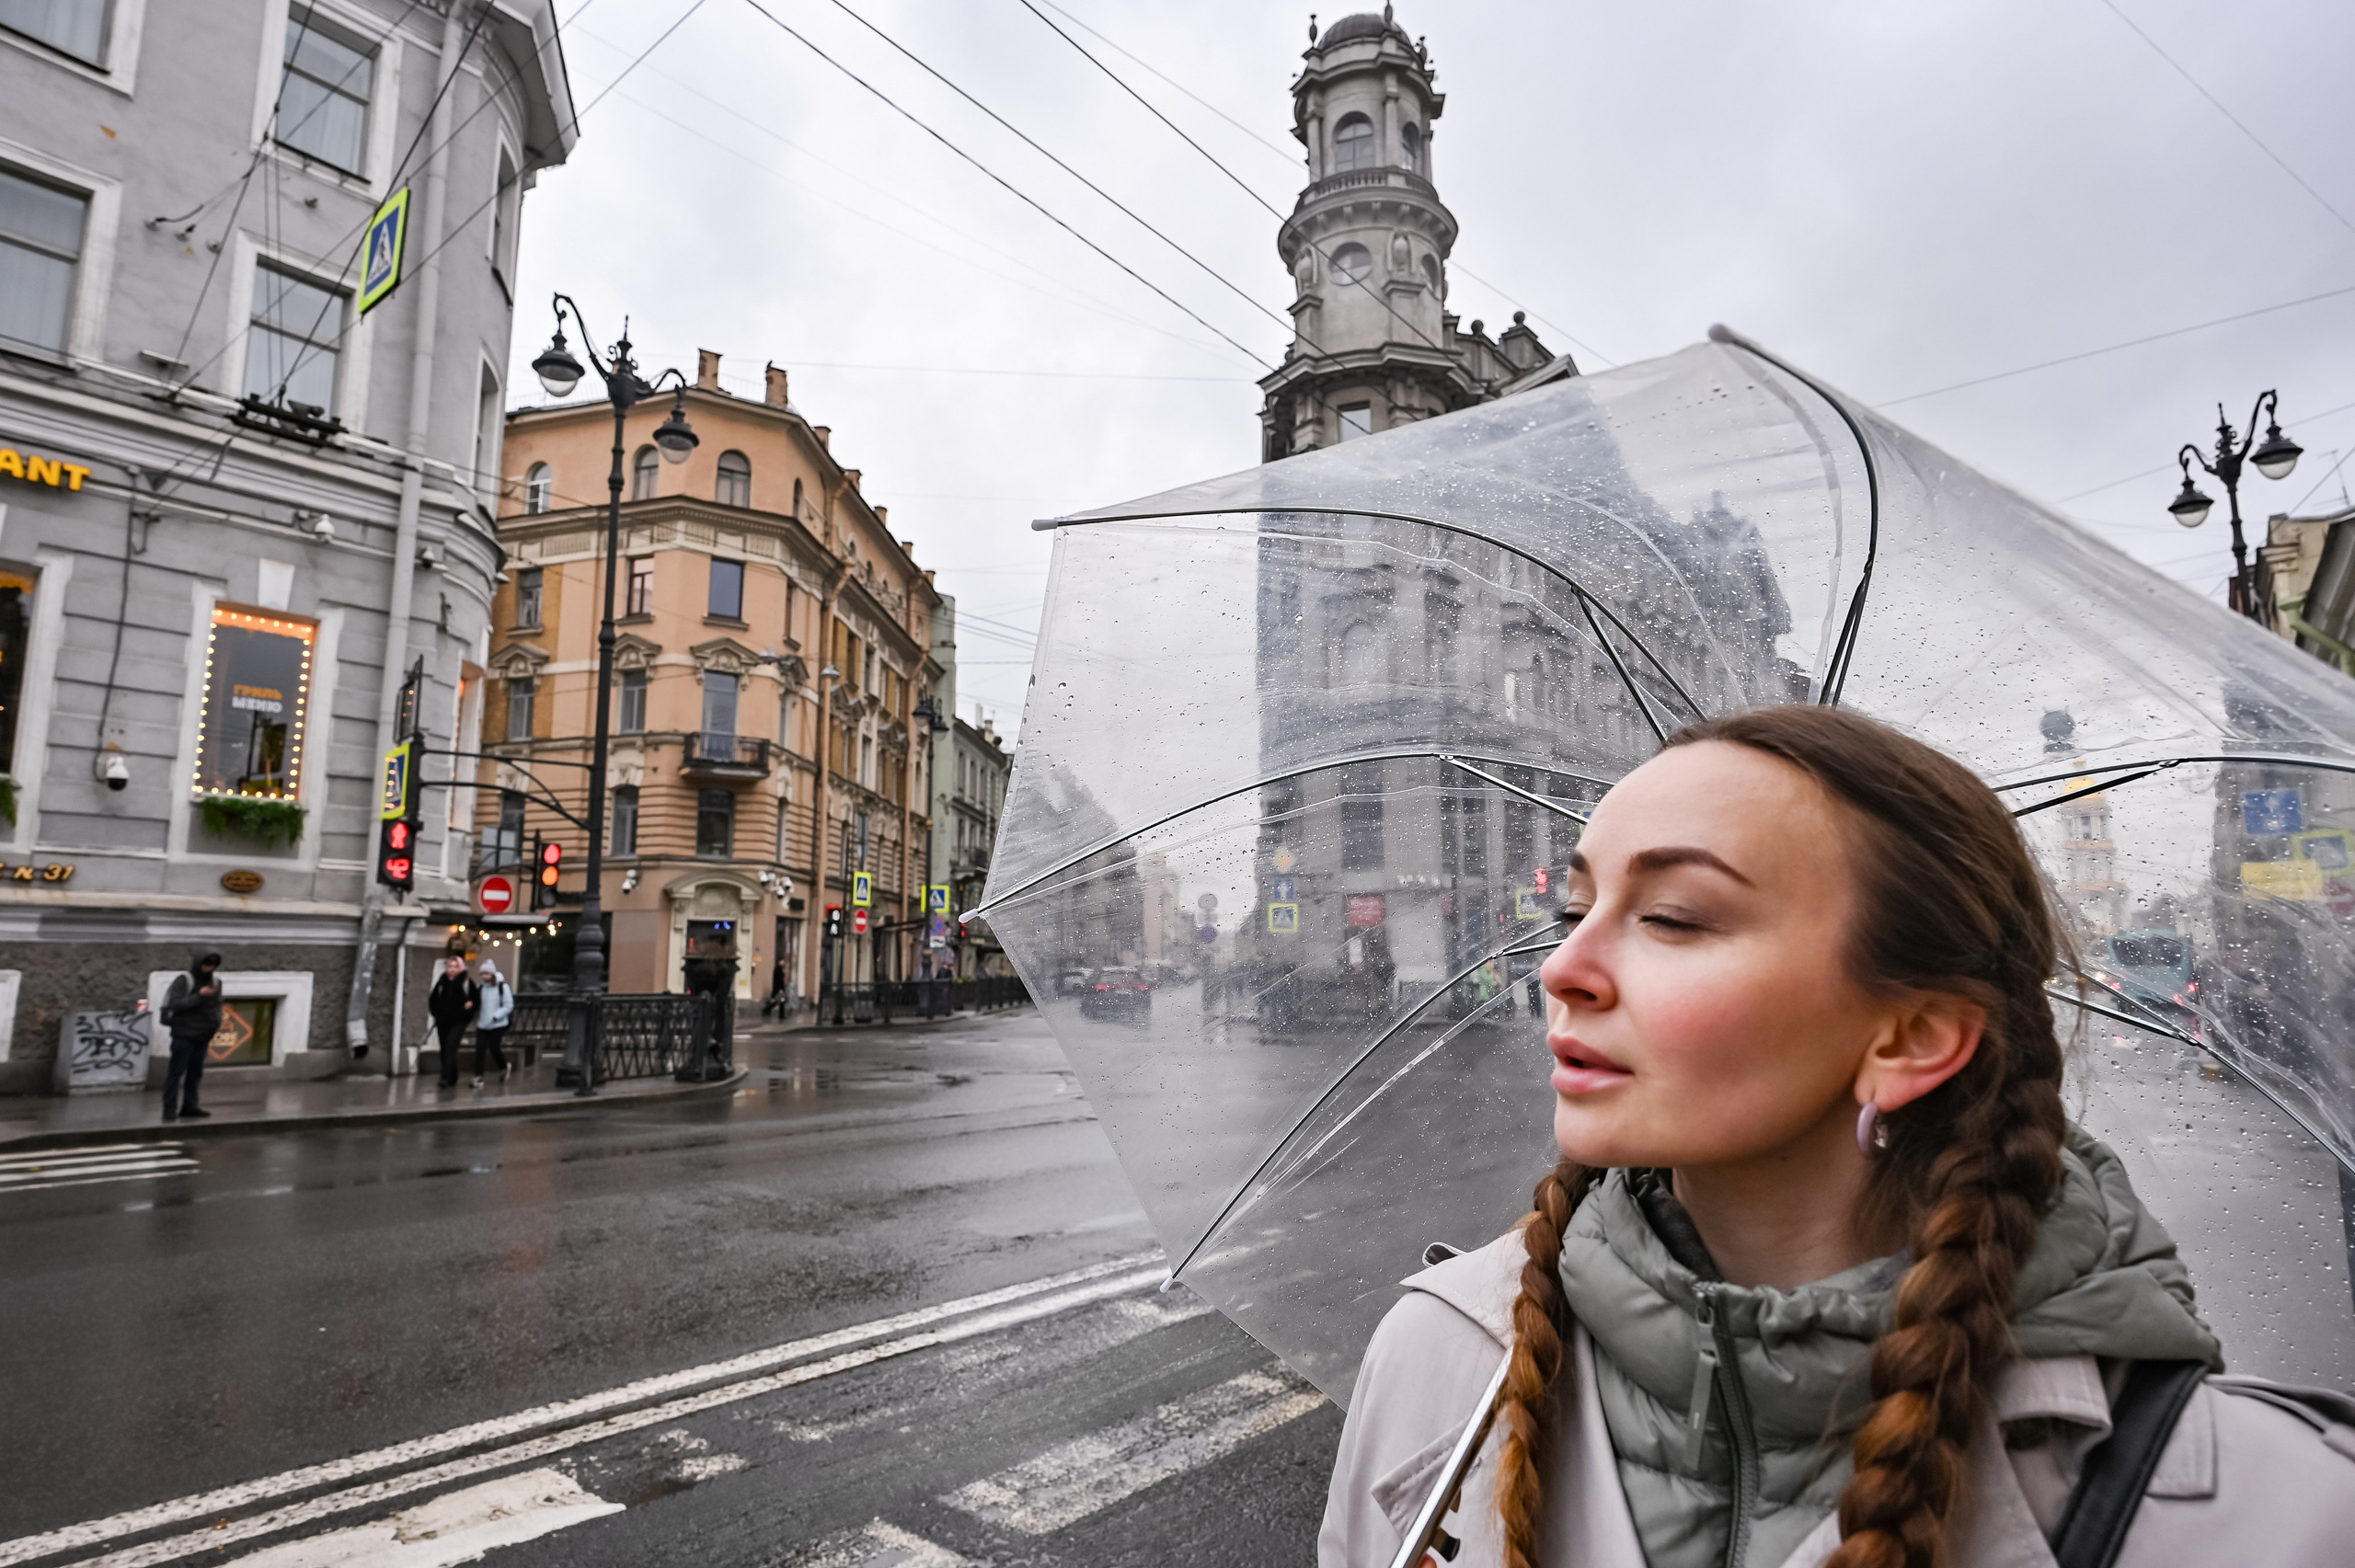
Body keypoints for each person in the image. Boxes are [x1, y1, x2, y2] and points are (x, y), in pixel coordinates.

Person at [1322, 707, 2355, 1568]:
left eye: (1673, 916)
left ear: (1910, 1037)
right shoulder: (1439, 1358)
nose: (1562, 969)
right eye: (1577, 909)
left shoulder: (2281, 1519)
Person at [157, 947, 224, 1120]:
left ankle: (190, 1106)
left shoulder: (216, 982)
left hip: (203, 1034)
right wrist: (199, 996)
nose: (209, 968)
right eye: (206, 964)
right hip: (183, 1034)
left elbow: (216, 1005)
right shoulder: (184, 980)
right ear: (198, 963)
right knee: (176, 1072)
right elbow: (176, 1004)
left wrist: (215, 1024)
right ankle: (169, 1109)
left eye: (213, 965)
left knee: (195, 1073)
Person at [427, 956, 477, 1090]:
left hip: (459, 1021)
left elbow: (476, 1000)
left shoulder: (466, 982)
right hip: (443, 1021)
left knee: (450, 1045)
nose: (452, 969)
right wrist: (436, 1013)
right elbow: (433, 1000)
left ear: (460, 968)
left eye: (456, 966)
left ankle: (444, 1077)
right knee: (445, 1048)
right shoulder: (442, 982)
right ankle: (453, 1075)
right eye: (450, 966)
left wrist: (469, 1007)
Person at [472, 959, 514, 1086]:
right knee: (480, 1049)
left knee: (494, 1048)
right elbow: (477, 1004)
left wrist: (496, 1016)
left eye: (487, 974)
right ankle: (478, 1076)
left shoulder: (502, 987)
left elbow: (508, 1005)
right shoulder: (480, 988)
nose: (485, 976)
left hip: (498, 1024)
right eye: (483, 974)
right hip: (482, 1024)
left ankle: (504, 1066)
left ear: (492, 974)